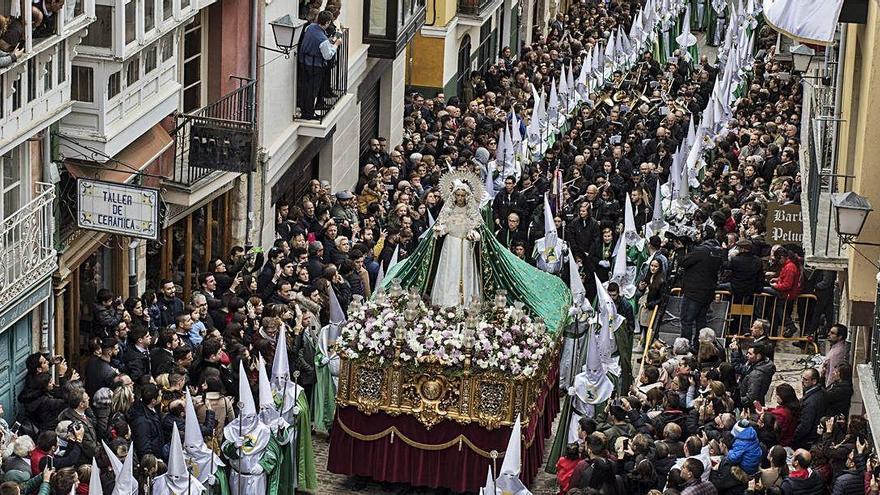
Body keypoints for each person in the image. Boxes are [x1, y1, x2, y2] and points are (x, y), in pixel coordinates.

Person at [298, 11, 343, 120]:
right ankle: (308, 114)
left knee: (305, 88)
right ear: (327, 22)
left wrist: (329, 42)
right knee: (312, 90)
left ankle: (305, 111)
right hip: (315, 66)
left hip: (304, 62)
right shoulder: (322, 40)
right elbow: (328, 55)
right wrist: (336, 45)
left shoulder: (310, 27)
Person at [792, 368, 827, 449]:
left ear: (814, 381)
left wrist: (794, 436)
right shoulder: (819, 392)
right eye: (802, 378)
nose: (802, 382)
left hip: (807, 440)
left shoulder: (811, 402)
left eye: (805, 380)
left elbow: (805, 425)